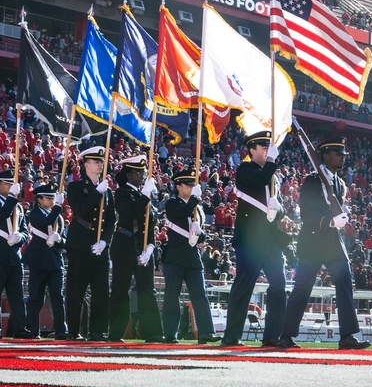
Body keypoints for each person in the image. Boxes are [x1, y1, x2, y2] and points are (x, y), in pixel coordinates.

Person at [279, 137, 370, 350]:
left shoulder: (340, 183)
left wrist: (341, 219)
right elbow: (307, 213)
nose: (342, 158)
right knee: (302, 288)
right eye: (338, 154)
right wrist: (329, 221)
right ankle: (286, 335)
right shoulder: (312, 181)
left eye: (342, 154)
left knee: (345, 285)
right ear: (326, 155)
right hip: (312, 242)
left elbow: (338, 209)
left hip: (333, 244)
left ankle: (347, 335)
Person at [221, 131, 287, 348]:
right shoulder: (245, 170)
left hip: (270, 240)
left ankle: (272, 335)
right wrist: (271, 162)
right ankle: (231, 336)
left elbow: (280, 206)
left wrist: (278, 210)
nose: (268, 151)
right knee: (244, 285)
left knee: (278, 284)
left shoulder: (273, 177)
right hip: (250, 239)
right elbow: (259, 180)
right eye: (263, 148)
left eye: (269, 148)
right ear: (252, 150)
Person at [160, 168, 221, 344]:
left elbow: (202, 235)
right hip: (175, 256)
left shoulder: (198, 209)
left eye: (193, 184)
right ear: (178, 186)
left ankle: (206, 332)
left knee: (200, 295)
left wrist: (199, 234)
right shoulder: (172, 203)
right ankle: (171, 333)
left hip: (193, 257)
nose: (192, 187)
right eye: (188, 184)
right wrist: (193, 200)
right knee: (172, 296)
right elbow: (179, 214)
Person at [108, 154, 163, 343]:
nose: (142, 176)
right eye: (138, 172)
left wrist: (150, 247)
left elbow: (150, 223)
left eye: (144, 172)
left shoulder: (143, 195)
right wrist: (145, 195)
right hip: (124, 244)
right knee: (120, 288)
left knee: (147, 290)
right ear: (129, 174)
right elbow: (132, 212)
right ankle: (116, 333)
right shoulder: (122, 192)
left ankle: (153, 332)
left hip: (142, 247)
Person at [65, 145, 116, 341]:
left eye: (101, 161)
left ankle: (97, 330)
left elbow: (111, 220)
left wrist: (105, 241)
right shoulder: (76, 186)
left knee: (101, 291)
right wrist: (97, 192)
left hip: (100, 247)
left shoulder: (107, 191)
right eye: (96, 161)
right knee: (76, 290)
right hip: (80, 245)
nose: (100, 164)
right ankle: (74, 331)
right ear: (85, 164)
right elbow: (81, 210)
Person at [0, 169, 30, 339]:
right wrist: (11, 198)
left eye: (12, 184)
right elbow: (2, 213)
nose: (11, 187)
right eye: (8, 183)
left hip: (14, 256)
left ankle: (20, 329)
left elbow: (25, 230)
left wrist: (20, 237)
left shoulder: (17, 206)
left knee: (16, 296)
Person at [22, 181, 68, 340]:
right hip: (39, 260)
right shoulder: (35, 213)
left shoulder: (58, 217)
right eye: (48, 198)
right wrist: (57, 208)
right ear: (39, 199)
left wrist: (59, 239)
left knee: (57, 296)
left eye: (53, 198)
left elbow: (64, 241)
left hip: (55, 261)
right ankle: (33, 330)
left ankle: (61, 330)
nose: (52, 201)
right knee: (36, 297)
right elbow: (45, 222)